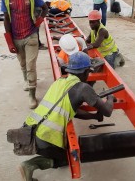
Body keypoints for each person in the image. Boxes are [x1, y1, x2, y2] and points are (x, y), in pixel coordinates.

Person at [19, 51, 114, 181]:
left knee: (57, 153)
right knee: (65, 160)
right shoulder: (83, 88)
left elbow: (70, 111)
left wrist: (94, 117)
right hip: (45, 138)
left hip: (29, 129)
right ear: (86, 72)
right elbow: (108, 111)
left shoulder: (60, 82)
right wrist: (110, 98)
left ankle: (35, 161)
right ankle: (30, 165)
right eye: (88, 72)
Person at [1, 0, 48, 109]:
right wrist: (9, 40)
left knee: (30, 65)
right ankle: (26, 81)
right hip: (16, 37)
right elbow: (6, 18)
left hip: (30, 36)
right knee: (22, 64)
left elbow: (45, 7)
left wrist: (38, 22)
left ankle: (32, 96)